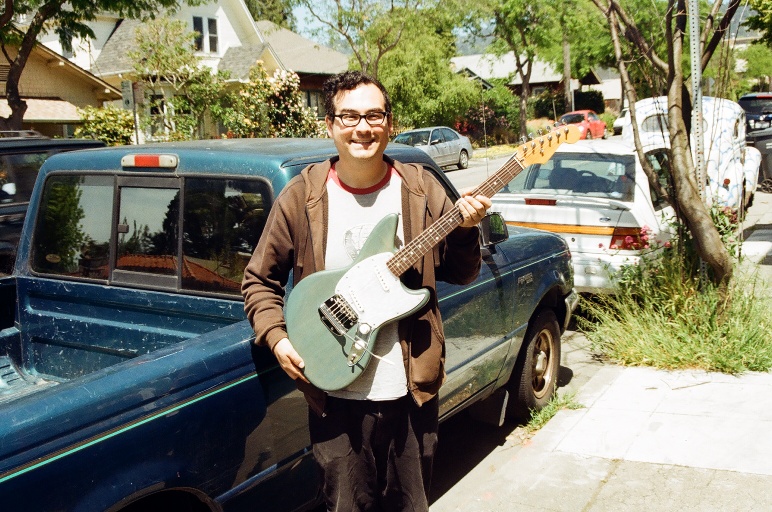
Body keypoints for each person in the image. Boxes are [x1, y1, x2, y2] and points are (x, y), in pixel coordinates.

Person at [242, 70, 491, 511]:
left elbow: (462, 272)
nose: (363, 127)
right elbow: (260, 280)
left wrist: (467, 230)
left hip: (411, 395)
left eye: (374, 115)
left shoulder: (421, 186)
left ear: (389, 123)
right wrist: (277, 338)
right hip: (334, 399)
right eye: (349, 116)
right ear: (330, 125)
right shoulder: (302, 196)